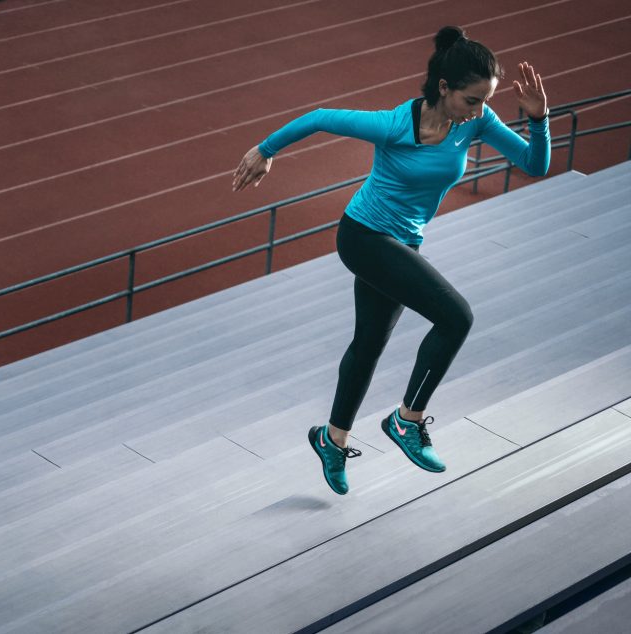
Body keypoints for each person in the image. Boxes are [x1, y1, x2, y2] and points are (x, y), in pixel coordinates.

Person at [231, 26, 550, 495]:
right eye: (471, 100)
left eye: (486, 101)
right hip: (363, 236)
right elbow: (320, 117)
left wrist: (539, 120)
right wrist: (265, 150)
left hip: (402, 245)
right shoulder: (394, 125)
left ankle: (332, 440)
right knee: (456, 316)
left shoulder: (476, 122)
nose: (480, 111)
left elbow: (535, 165)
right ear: (444, 88)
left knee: (369, 343)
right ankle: (408, 420)